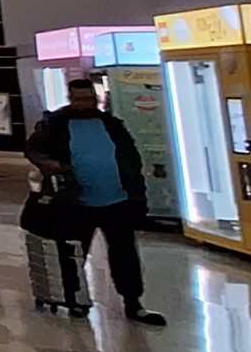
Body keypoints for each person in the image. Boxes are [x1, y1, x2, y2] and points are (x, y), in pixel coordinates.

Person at [27, 78, 166, 325]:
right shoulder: (55, 124)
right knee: (74, 253)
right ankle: (76, 300)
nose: (86, 104)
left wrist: (136, 194)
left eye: (90, 99)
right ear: (70, 99)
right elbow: (33, 149)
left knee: (125, 253)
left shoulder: (111, 124)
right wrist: (51, 165)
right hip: (76, 202)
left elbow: (130, 159)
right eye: (80, 99)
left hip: (117, 200)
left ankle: (133, 302)